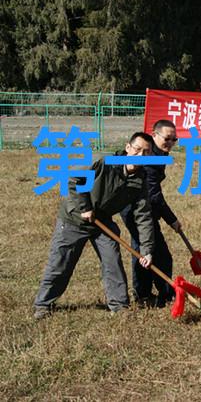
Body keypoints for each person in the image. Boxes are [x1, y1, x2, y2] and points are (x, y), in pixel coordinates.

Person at [34, 132, 155, 319]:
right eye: (137, 150)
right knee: (61, 263)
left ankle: (120, 306)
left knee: (112, 262)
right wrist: (85, 207)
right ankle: (43, 305)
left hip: (102, 221)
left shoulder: (140, 179)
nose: (140, 156)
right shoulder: (103, 162)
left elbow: (143, 215)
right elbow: (74, 178)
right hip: (74, 218)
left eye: (146, 153)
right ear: (128, 148)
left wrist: (146, 249)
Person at [121, 120, 180, 306]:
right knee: (148, 251)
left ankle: (155, 294)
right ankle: (146, 296)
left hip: (145, 206)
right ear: (154, 135)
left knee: (150, 251)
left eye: (174, 139)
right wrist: (172, 220)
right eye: (167, 138)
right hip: (134, 208)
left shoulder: (159, 154)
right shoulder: (148, 158)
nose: (170, 143)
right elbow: (154, 196)